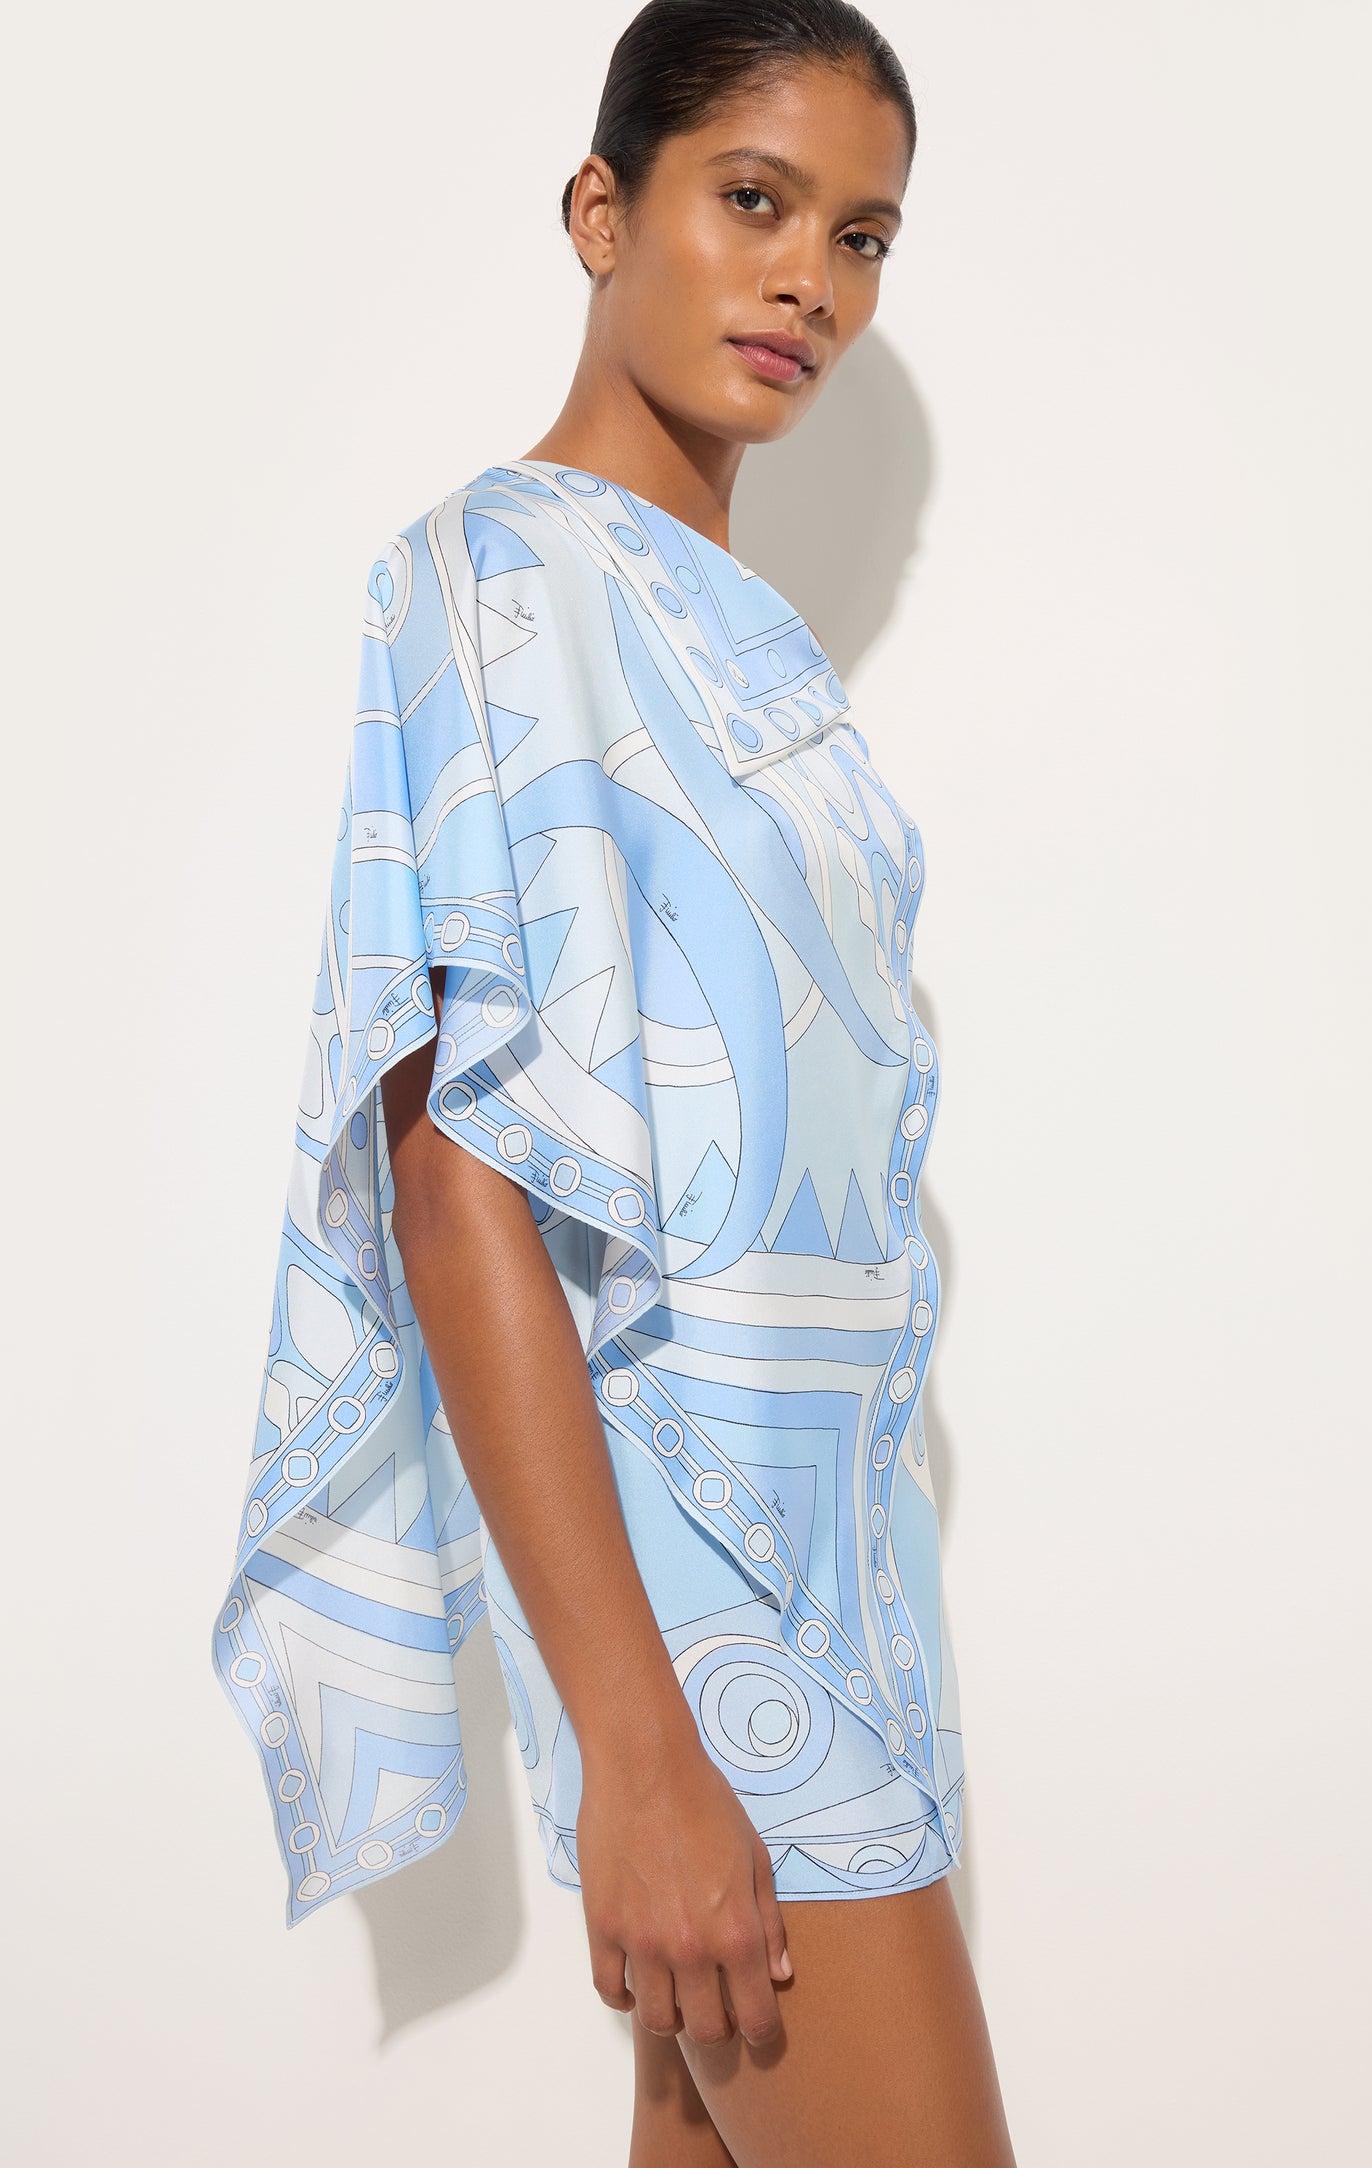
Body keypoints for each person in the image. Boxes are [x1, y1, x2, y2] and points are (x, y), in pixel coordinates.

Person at [212, 2, 1017, 2159]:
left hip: (846, 1575)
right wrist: (641, 1745)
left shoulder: (735, 636)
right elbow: (454, 1175)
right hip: (707, 1609)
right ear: (600, 208)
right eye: (753, 201)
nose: (808, 281)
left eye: (861, 237)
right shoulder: (500, 576)